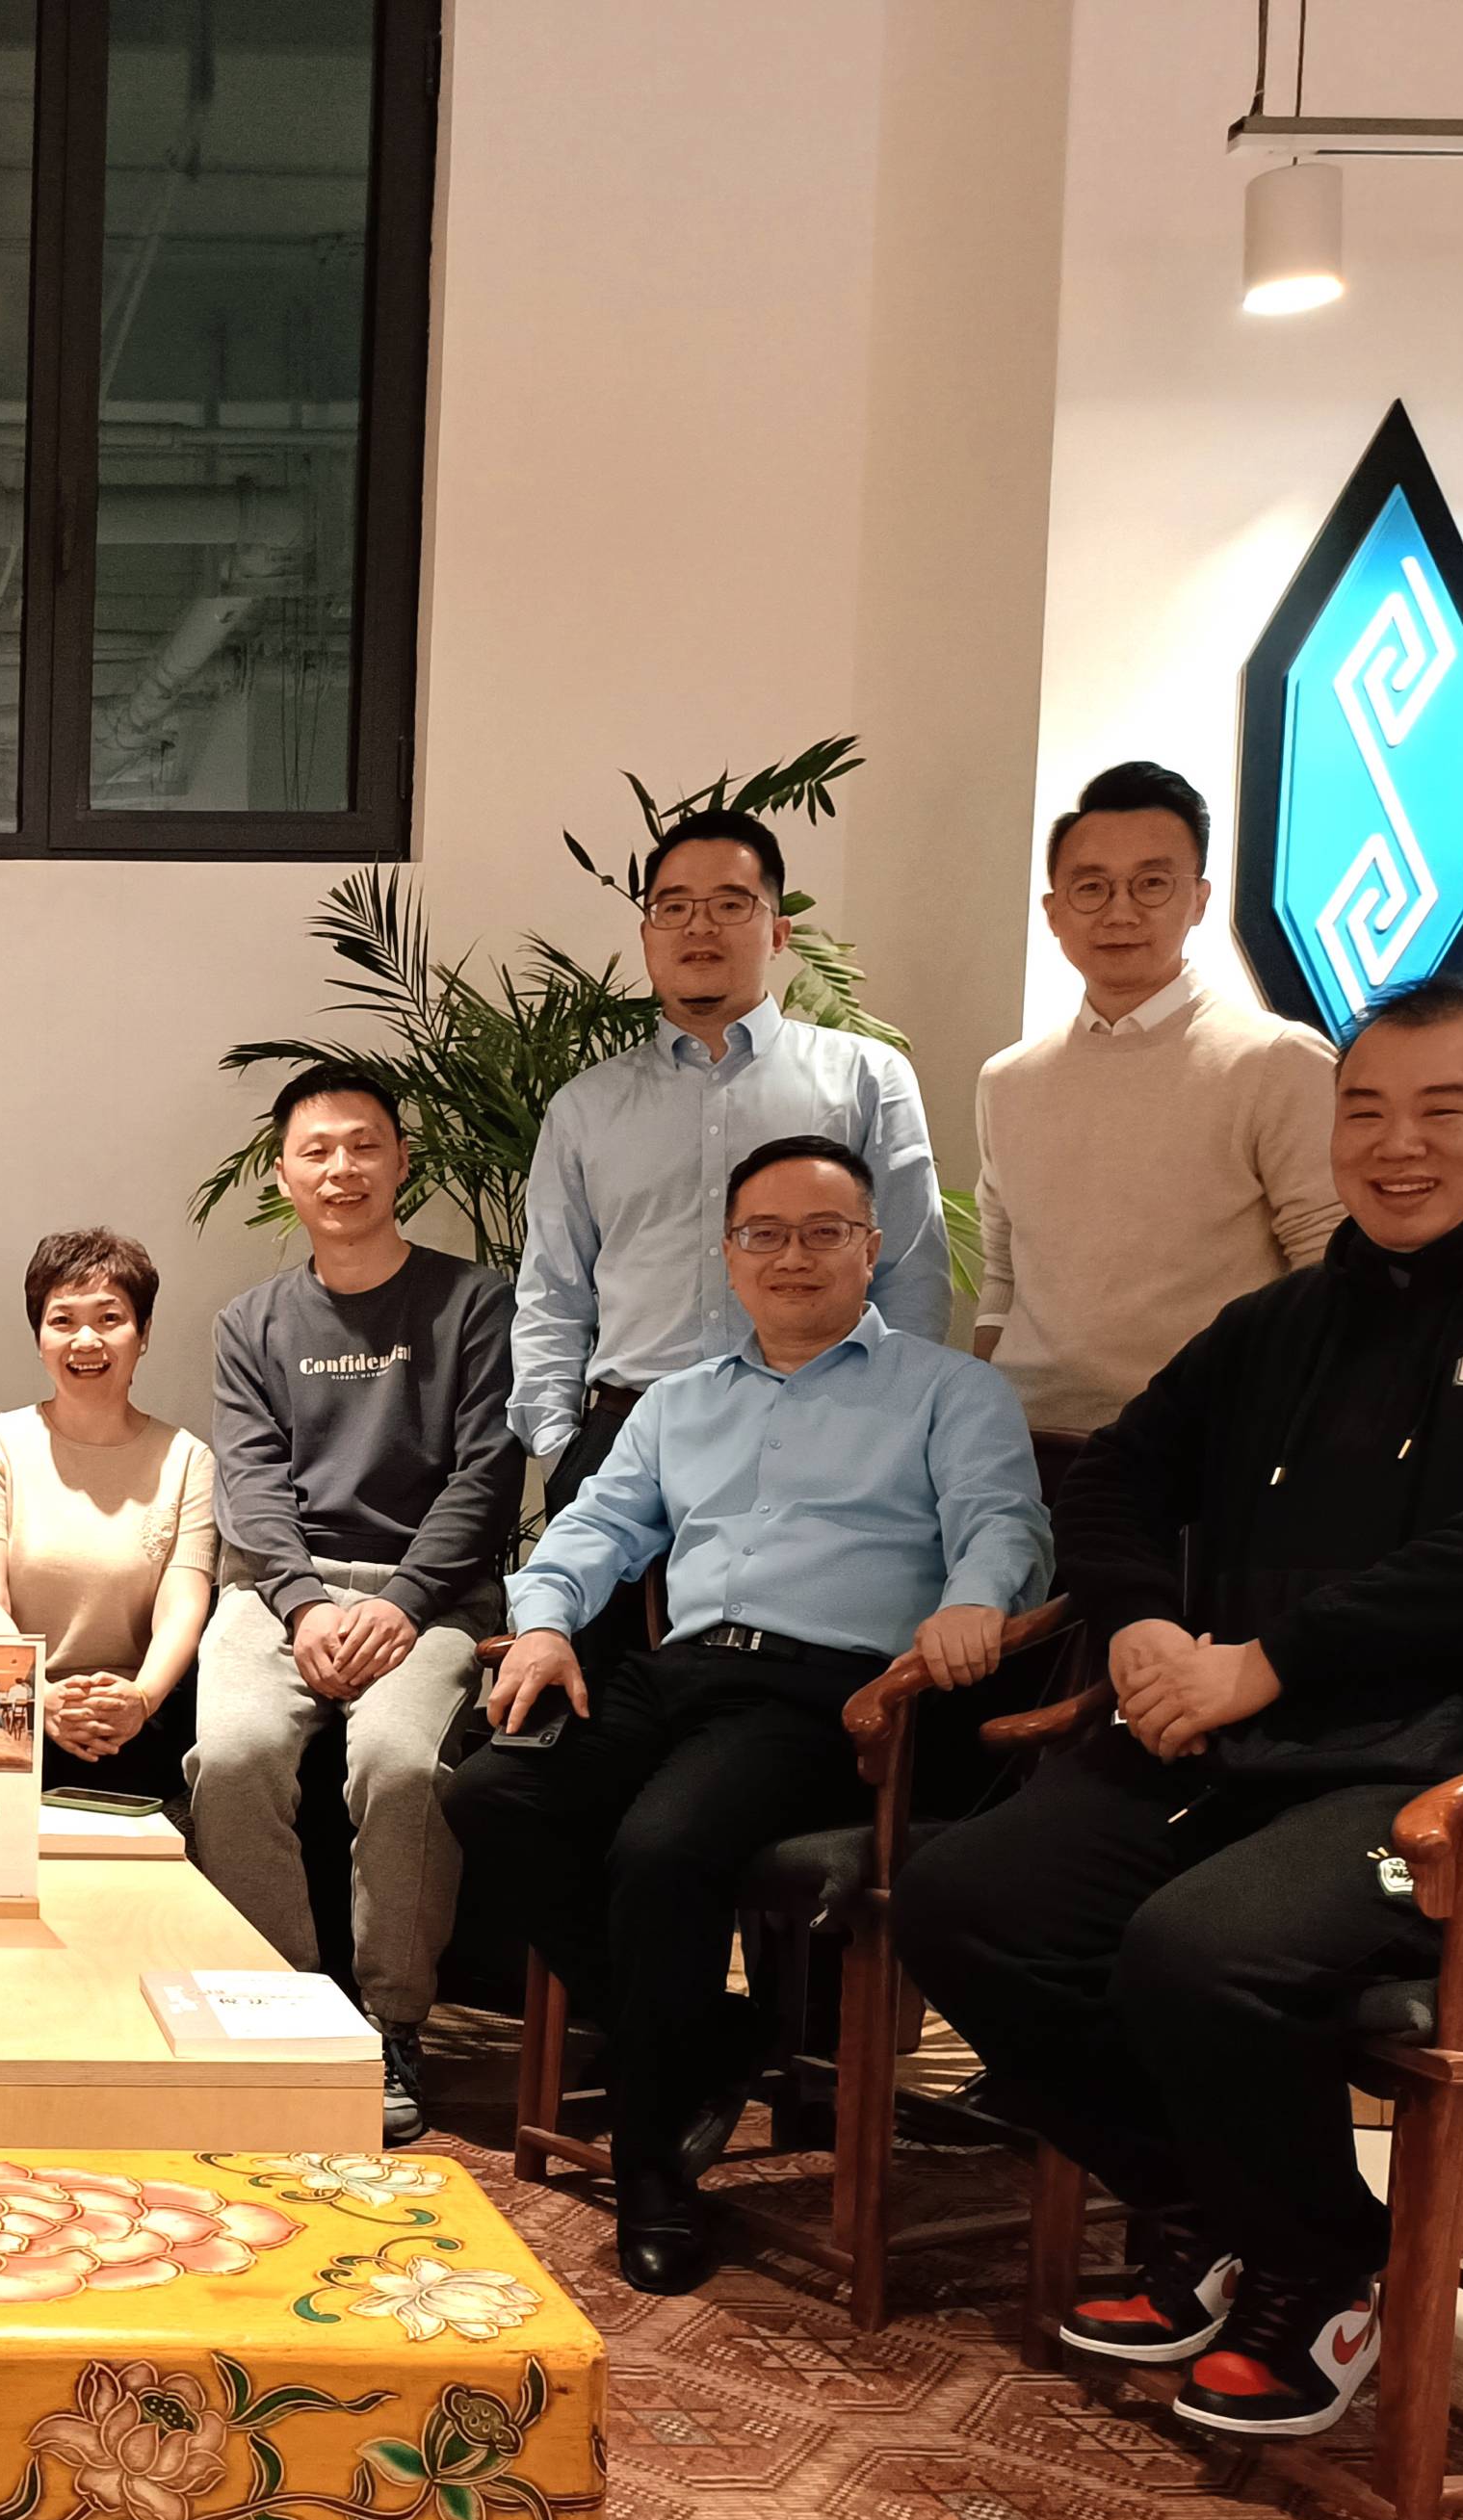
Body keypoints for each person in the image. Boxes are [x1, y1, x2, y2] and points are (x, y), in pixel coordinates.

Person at [895, 988, 1463, 2437]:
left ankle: (1314, 2267)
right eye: (1365, 1111)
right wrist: (1145, 1625)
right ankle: (1206, 2207)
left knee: (1205, 1950)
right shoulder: (1285, 1320)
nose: (1396, 1145)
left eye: (1442, 1110)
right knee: (967, 1900)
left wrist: (1272, 1659)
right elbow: (1116, 1478)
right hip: (1255, 1755)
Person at [448, 1133, 1050, 2296]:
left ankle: (652, 2169)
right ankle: (710, 2039)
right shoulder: (675, 1403)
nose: (791, 1256)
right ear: (727, 1255)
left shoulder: (949, 1391)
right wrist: (545, 1623)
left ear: (870, 1249)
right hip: (680, 1676)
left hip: (835, 1695)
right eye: (763, 1235)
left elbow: (1001, 1522)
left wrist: (974, 1601)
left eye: (823, 1232)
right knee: (492, 1792)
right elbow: (594, 1527)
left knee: (661, 1849)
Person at [187, 1071, 524, 2131]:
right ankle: (278, 2008)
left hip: (429, 1592)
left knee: (398, 1764)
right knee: (232, 1756)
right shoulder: (250, 1322)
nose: (342, 1168)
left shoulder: (475, 1302)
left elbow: (487, 1474)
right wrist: (302, 1605)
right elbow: (250, 1483)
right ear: (284, 1175)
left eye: (364, 1145)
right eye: (317, 1150)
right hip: (278, 1590)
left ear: (401, 1161)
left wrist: (405, 1602)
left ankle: (391, 2021)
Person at [511, 807, 949, 1499]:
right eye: (673, 906)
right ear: (647, 933)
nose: (699, 926)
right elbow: (552, 1294)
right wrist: (561, 1447)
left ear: (778, 931)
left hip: (824, 1425)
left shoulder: (866, 1079)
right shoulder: (585, 1107)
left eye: (729, 903)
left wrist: (887, 1425)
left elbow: (909, 1273)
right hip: (629, 1438)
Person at [975, 759, 1340, 1451]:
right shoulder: (1008, 1079)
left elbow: (1326, 1265)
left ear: (1198, 899)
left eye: (1151, 883)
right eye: (1091, 887)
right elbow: (1002, 1270)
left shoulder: (1277, 1061)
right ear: (1054, 911)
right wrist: (983, 1402)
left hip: (1198, 1444)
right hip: (1025, 1440)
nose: (1120, 912)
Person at [0, 1227, 218, 1806]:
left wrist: (139, 1700)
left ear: (143, 1333)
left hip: (141, 1713)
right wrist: (37, 1696)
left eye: (110, 1318)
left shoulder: (188, 1459)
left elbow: (182, 1609)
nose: (86, 1340)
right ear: (39, 1337)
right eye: (63, 1320)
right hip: (12, 1703)